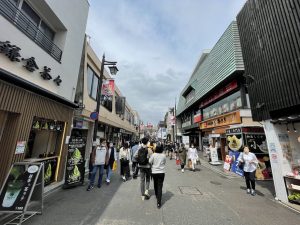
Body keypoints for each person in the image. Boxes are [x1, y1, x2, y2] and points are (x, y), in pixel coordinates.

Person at [149, 143, 166, 209]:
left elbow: (150, 162)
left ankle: (156, 194)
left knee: (155, 184)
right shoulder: (163, 155)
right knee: (160, 186)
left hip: (154, 172)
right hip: (161, 172)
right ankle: (159, 202)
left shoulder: (153, 155)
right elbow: (164, 162)